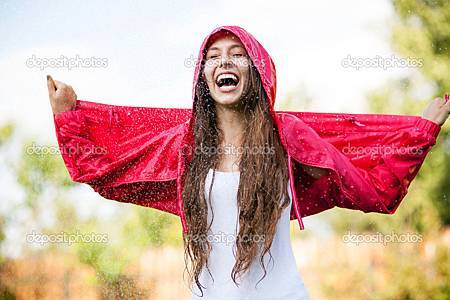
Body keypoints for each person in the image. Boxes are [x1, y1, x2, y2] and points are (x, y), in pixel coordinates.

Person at [47, 25, 449, 299]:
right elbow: (107, 172)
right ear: (203, 75)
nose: (225, 62)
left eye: (238, 55)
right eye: (214, 56)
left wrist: (421, 133)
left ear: (256, 72)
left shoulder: (288, 137)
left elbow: (372, 190)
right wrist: (69, 117)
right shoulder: (184, 146)